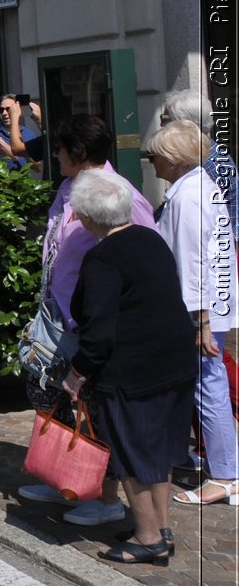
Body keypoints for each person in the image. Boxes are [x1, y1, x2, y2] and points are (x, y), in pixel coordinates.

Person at [18, 114, 157, 525]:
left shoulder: (120, 195)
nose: (54, 155)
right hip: (60, 314)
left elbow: (143, 253)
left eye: (59, 149)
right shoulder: (67, 187)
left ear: (78, 153)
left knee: (93, 408)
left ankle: (105, 497)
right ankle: (63, 476)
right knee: (50, 394)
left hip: (92, 320)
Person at [59, 169, 197, 565]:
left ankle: (147, 536)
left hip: (132, 370)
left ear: (86, 217)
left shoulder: (102, 257)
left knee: (131, 453)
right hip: (173, 360)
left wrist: (77, 372)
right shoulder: (150, 239)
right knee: (159, 451)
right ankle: (161, 528)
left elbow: (98, 332)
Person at [146, 120, 238, 506]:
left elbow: (192, 262)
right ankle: (208, 463)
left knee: (208, 386)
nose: (152, 163)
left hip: (197, 311)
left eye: (157, 157)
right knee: (200, 384)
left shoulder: (188, 196)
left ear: (174, 160)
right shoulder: (200, 187)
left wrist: (199, 323)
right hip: (207, 307)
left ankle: (226, 475)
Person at [159, 88, 237, 230]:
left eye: (165, 120)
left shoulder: (209, 161)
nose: (161, 126)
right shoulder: (203, 154)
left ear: (186, 124)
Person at [0, 95, 44, 173]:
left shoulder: (29, 134)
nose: (4, 113)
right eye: (1, 110)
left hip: (22, 183)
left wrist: (26, 153)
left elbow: (37, 168)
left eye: (9, 109)